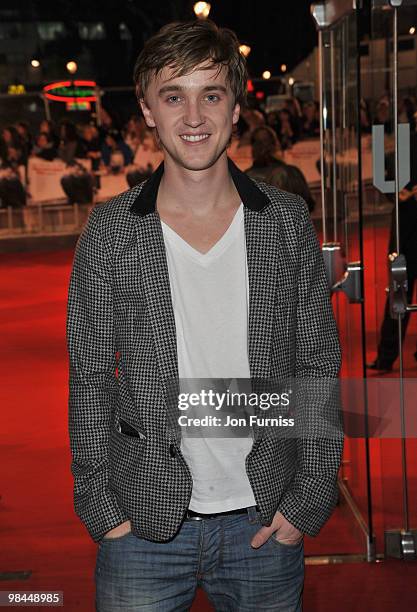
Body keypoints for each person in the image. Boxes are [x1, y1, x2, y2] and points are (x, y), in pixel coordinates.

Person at [67, 19, 342, 612]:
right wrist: (100, 506)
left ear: (236, 107)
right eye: (174, 96)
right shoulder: (111, 232)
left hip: (265, 522)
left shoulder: (285, 222)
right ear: (147, 110)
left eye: (210, 94)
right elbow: (89, 377)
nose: (194, 116)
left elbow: (315, 363)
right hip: (140, 524)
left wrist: (309, 498)